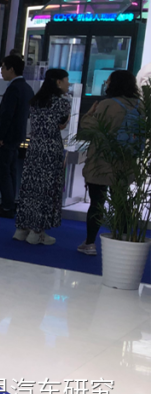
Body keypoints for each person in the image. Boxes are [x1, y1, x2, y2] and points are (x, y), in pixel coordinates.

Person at [77, 70, 141, 255]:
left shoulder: (106, 104)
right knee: (122, 202)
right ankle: (124, 241)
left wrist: (89, 114)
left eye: (108, 80)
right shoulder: (140, 106)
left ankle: (90, 243)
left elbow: (89, 127)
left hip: (102, 161)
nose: (106, 82)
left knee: (97, 202)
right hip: (125, 161)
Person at [13, 68, 72, 245]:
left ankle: (22, 228)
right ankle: (37, 231)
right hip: (51, 149)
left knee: (30, 188)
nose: (68, 84)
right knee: (46, 190)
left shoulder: (36, 101)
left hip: (35, 147)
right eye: (66, 80)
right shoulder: (62, 103)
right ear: (58, 82)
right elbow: (61, 125)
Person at [0, 55, 34, 218]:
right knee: (11, 171)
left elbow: (7, 115)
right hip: (17, 135)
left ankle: (7, 206)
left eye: (3, 67)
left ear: (11, 69)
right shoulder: (26, 88)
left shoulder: (14, 88)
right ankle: (9, 203)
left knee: (3, 171)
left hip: (7, 137)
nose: (1, 71)